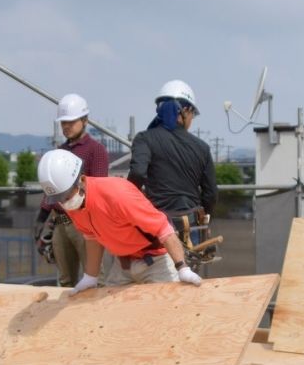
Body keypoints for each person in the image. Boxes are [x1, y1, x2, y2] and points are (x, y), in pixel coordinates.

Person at [37, 148, 202, 290]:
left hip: (155, 261)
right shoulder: (74, 205)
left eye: (65, 196)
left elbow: (163, 228)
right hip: (123, 264)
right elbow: (92, 237)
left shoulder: (117, 194)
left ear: (80, 180)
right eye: (59, 199)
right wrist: (90, 277)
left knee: (164, 313)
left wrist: (182, 268)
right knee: (112, 319)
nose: (64, 203)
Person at [34, 93, 109, 286]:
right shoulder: (59, 151)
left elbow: (98, 187)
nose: (66, 126)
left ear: (84, 120)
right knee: (65, 281)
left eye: (71, 121)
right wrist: (42, 217)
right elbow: (50, 187)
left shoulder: (95, 150)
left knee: (94, 278)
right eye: (63, 122)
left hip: (85, 223)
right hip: (61, 222)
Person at [127, 79, 217, 226]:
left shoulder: (144, 139)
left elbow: (137, 173)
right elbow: (211, 193)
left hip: (155, 225)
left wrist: (131, 203)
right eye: (192, 114)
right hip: (191, 224)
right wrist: (204, 217)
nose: (192, 119)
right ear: (185, 110)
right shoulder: (202, 148)